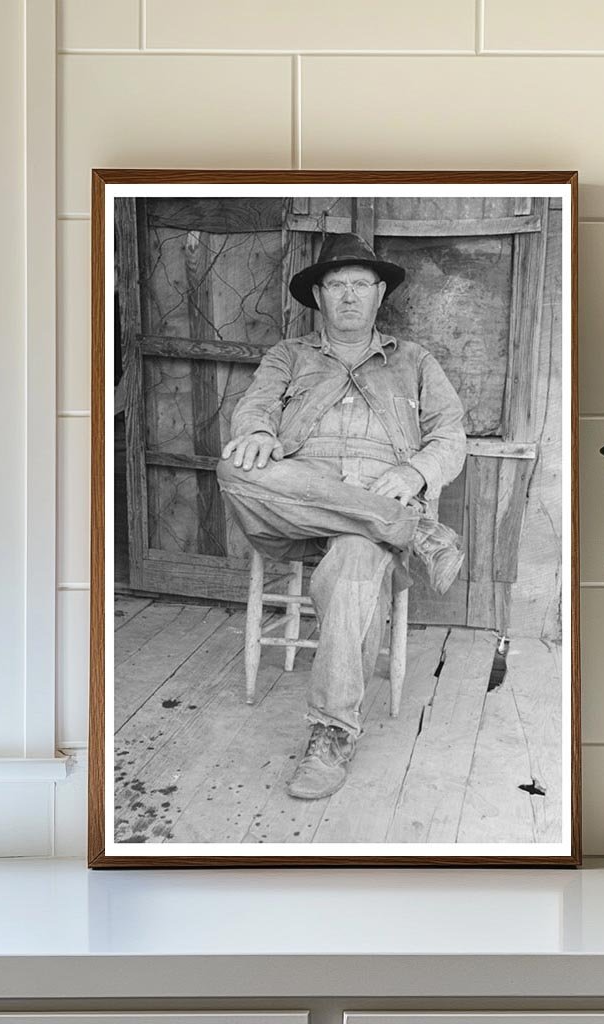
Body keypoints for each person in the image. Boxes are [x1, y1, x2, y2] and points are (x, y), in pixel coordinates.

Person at [216, 232, 467, 800]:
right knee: (233, 468)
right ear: (319, 297)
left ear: (380, 294)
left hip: (377, 508)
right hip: (295, 510)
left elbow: (451, 437)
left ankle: (330, 734)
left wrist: (413, 475)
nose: (349, 296)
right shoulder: (288, 356)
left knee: (356, 564)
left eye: (360, 285)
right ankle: (412, 530)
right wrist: (255, 432)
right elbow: (255, 406)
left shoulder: (416, 362)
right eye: (336, 285)